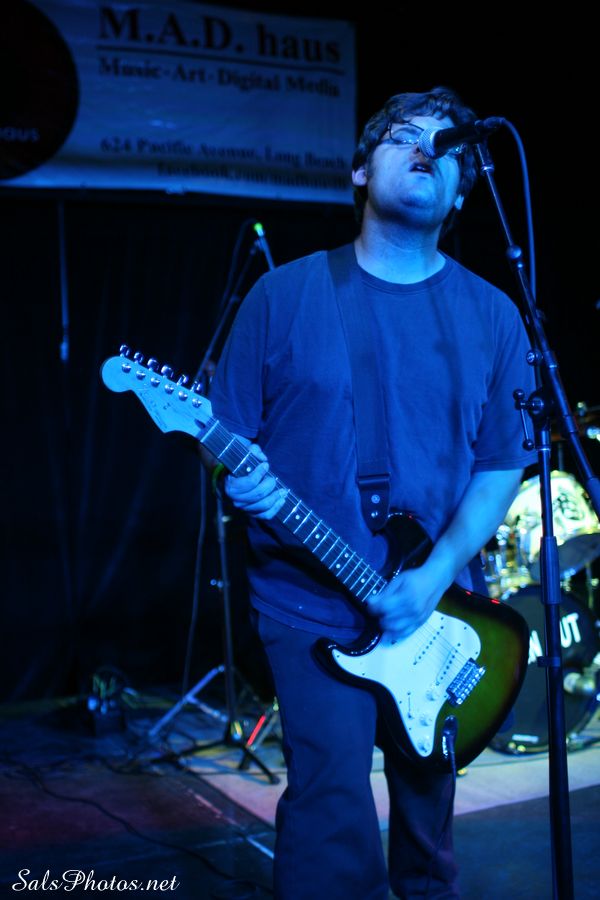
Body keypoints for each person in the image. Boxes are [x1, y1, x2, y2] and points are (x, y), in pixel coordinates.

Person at [207, 86, 536, 899]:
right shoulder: (284, 297)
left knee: (428, 834)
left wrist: (434, 576)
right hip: (307, 600)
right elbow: (224, 438)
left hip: (436, 605)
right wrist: (239, 480)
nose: (425, 148)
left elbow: (502, 463)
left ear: (461, 193)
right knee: (331, 821)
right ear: (360, 170)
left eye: (445, 144)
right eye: (403, 136)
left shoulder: (495, 316)